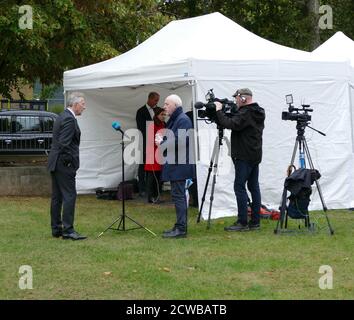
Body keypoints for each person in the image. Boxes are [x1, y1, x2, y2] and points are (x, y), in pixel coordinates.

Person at [214, 88, 265, 231]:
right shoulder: (257, 111)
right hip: (254, 155)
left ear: (243, 98)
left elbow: (231, 124)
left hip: (243, 155)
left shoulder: (246, 112)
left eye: (237, 98)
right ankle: (255, 222)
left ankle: (242, 222)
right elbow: (238, 121)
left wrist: (218, 111)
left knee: (239, 187)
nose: (235, 100)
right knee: (254, 187)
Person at [47, 92, 87, 240]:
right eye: (83, 103)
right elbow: (64, 143)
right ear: (75, 104)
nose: (84, 107)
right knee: (69, 195)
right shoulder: (69, 119)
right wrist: (70, 162)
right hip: (64, 163)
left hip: (55, 162)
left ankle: (56, 228)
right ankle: (68, 230)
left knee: (57, 197)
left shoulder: (62, 116)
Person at [156, 94, 195, 238]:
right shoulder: (177, 119)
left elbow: (181, 141)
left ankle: (181, 229)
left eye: (167, 104)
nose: (164, 107)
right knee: (177, 195)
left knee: (179, 196)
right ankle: (179, 226)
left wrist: (162, 143)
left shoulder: (183, 119)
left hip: (180, 165)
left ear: (175, 105)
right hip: (176, 164)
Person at [136, 92, 160, 197]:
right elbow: (141, 127)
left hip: (157, 143)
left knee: (155, 166)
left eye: (157, 101)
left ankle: (154, 188)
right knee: (143, 166)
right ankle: (142, 189)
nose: (156, 102)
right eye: (155, 100)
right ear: (149, 99)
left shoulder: (158, 110)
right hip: (145, 142)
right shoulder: (141, 111)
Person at [144, 107, 166, 203]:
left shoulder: (164, 124)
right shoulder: (152, 125)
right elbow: (150, 140)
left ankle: (157, 196)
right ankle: (150, 197)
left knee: (158, 176)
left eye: (164, 114)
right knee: (151, 177)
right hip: (152, 153)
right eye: (162, 114)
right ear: (156, 115)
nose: (163, 116)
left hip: (160, 153)